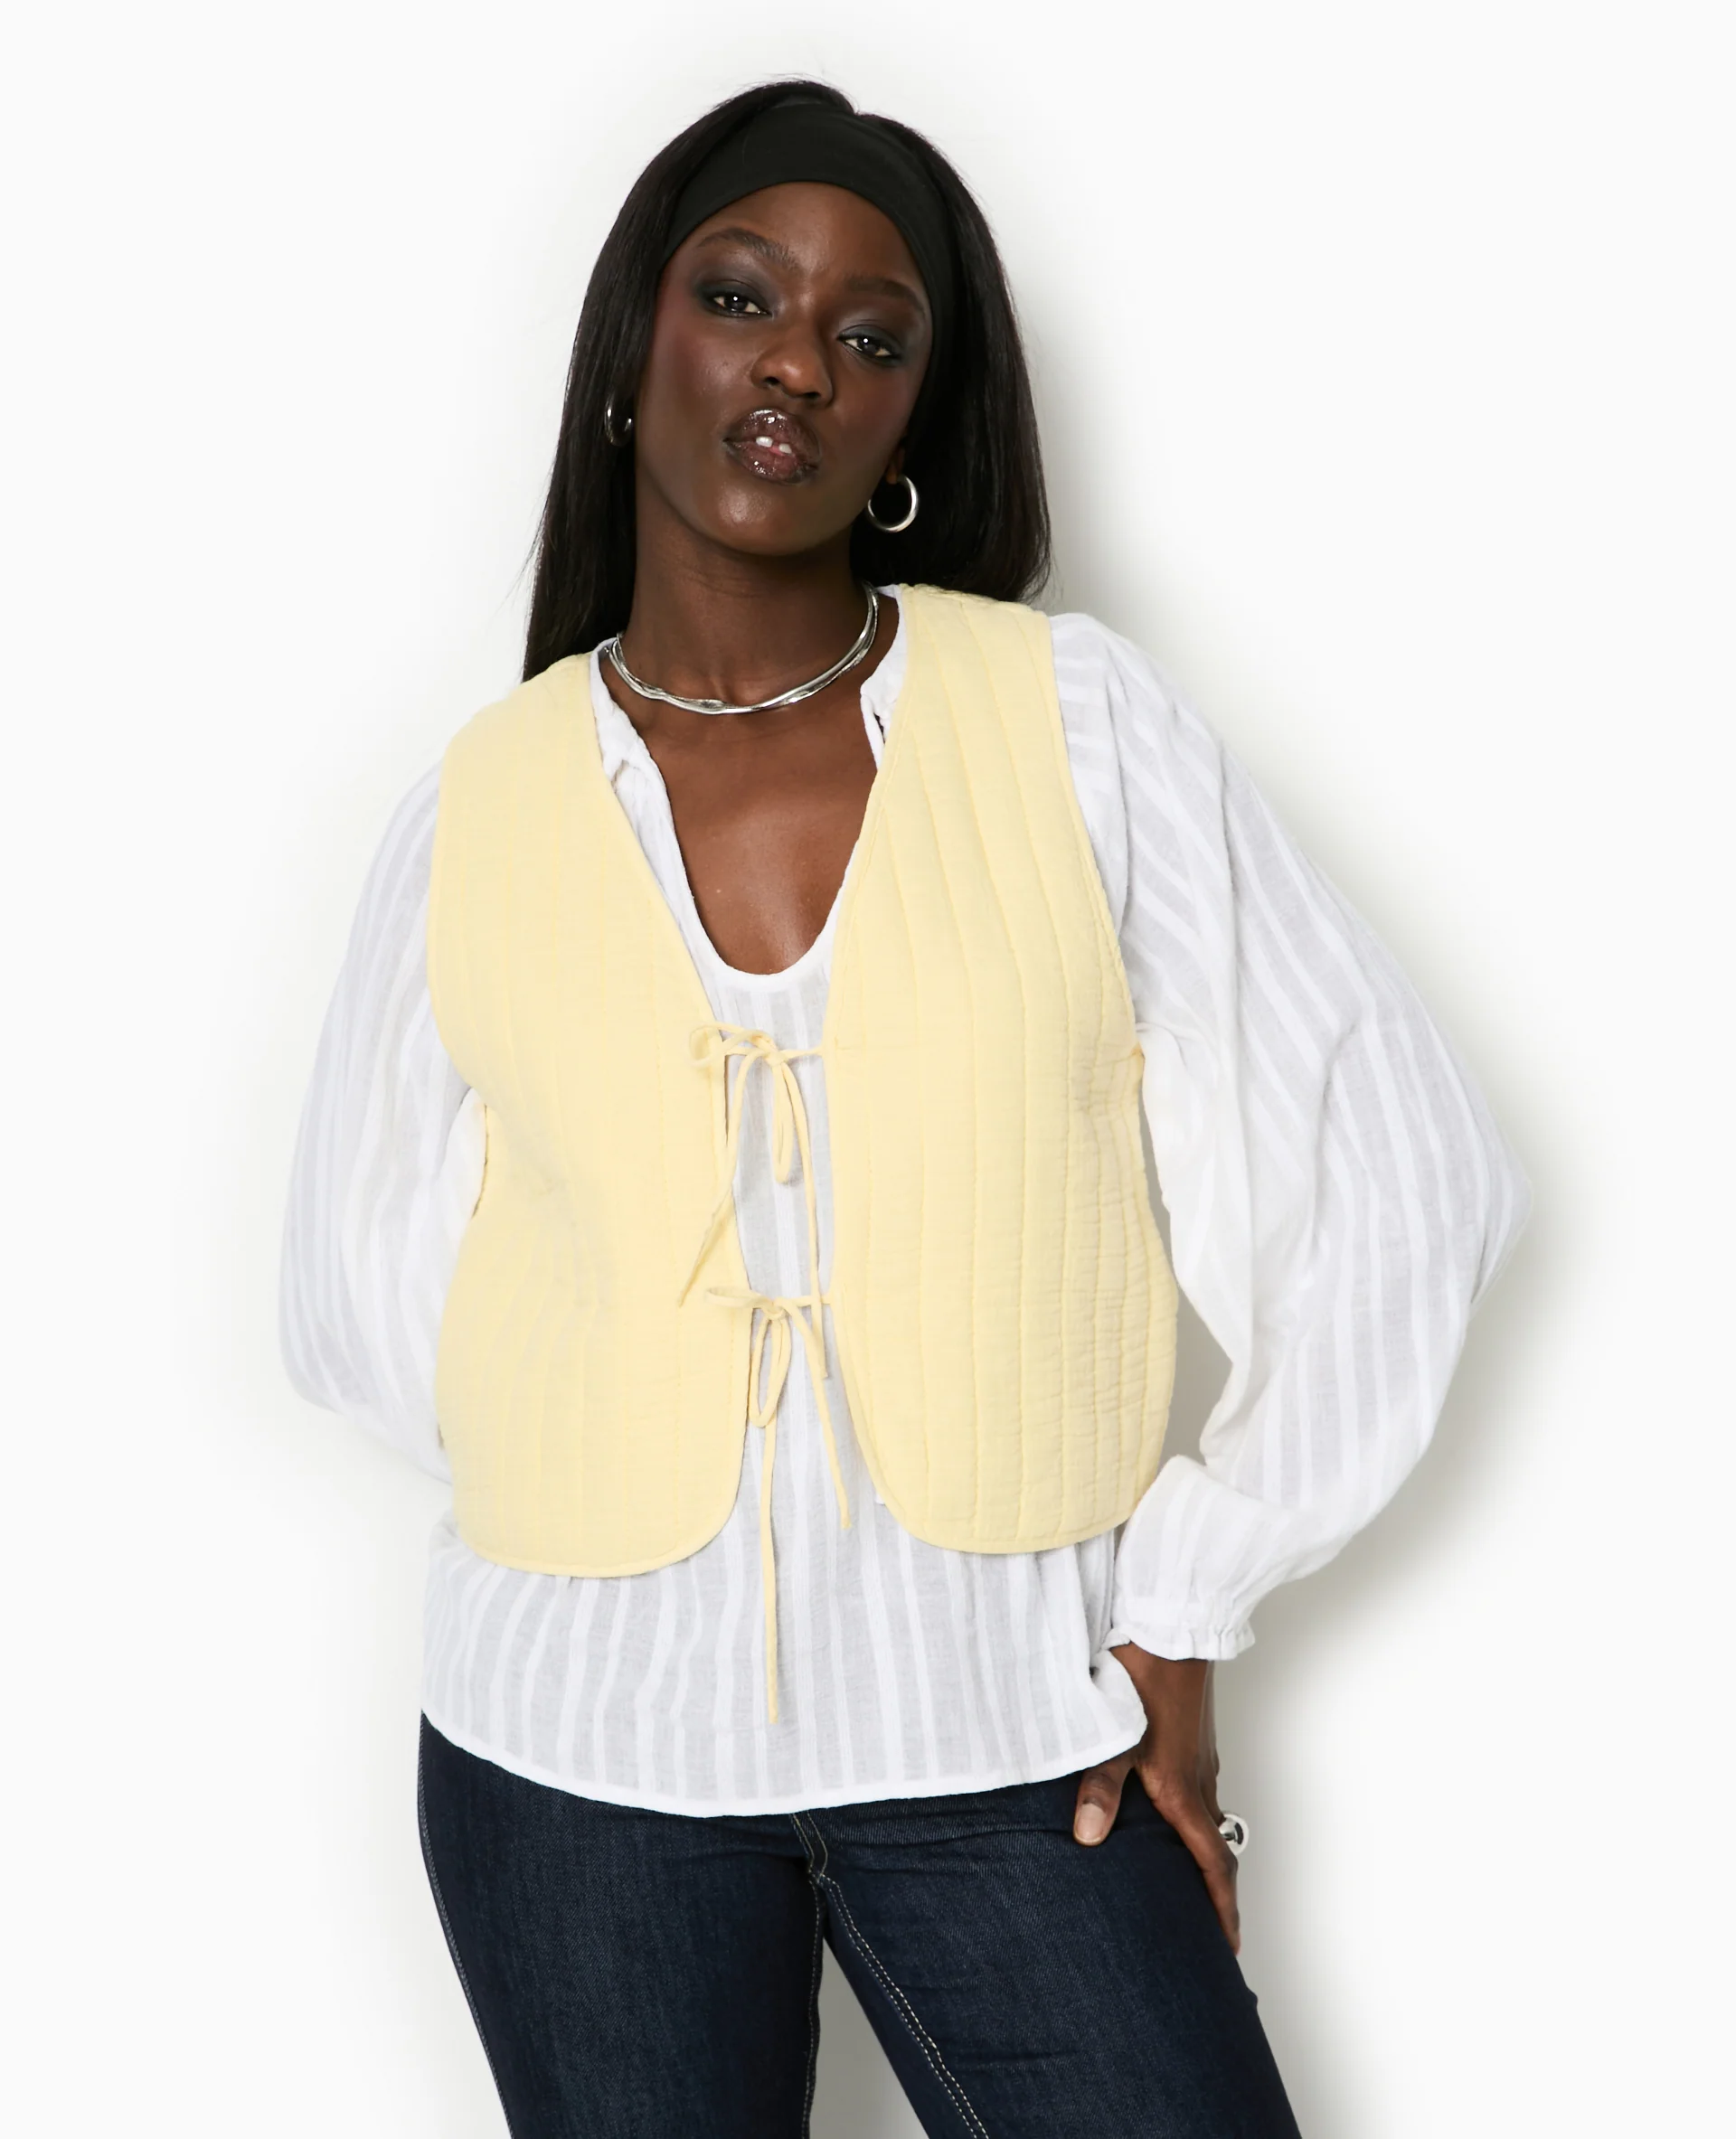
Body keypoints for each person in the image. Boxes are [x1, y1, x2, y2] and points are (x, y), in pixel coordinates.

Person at [280, 79, 1531, 2139]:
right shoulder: (473, 807)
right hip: (568, 1758)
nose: (797, 360)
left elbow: (1401, 1166)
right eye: (739, 297)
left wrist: (1182, 1613)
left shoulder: (1076, 723)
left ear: (914, 420)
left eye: (870, 335)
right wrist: (625, 1456)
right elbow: (358, 1300)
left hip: (1018, 1733)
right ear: (633, 348)